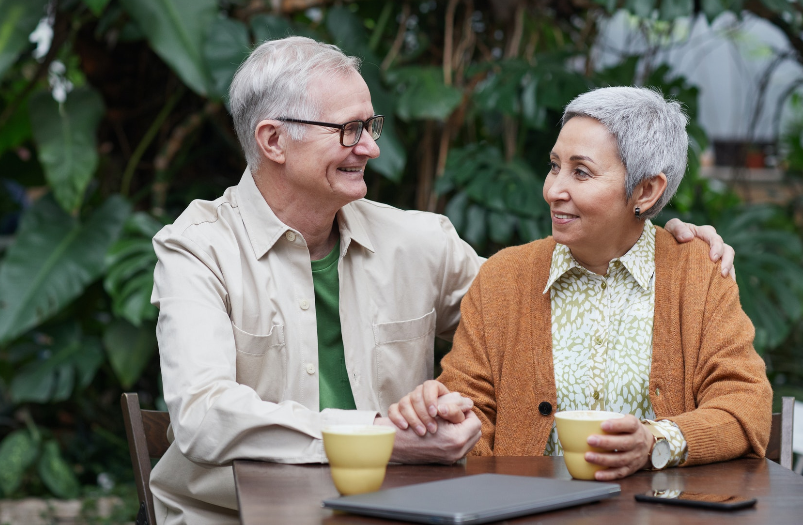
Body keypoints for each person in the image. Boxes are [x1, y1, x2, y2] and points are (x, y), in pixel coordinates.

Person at [149, 39, 735, 524]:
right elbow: (202, 417)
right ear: (273, 140)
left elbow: (542, 305)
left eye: (370, 125)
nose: (372, 148)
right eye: (350, 130)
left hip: (394, 514)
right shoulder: (196, 250)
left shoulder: (418, 242)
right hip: (232, 517)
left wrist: (650, 236)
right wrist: (379, 437)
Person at [388, 87, 772, 481]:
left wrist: (656, 442)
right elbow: (468, 412)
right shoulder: (504, 277)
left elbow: (746, 405)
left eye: (581, 172)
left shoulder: (698, 274)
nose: (553, 190)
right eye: (554, 166)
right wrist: (442, 415)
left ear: (646, 190)